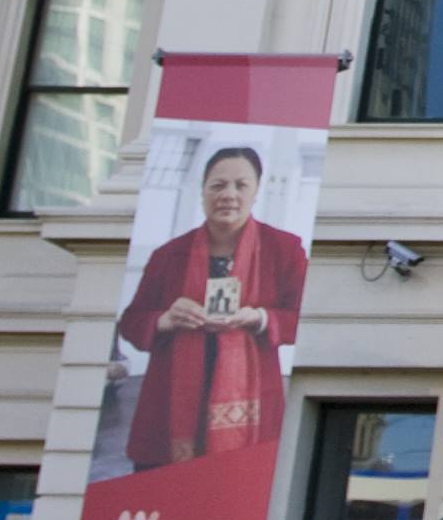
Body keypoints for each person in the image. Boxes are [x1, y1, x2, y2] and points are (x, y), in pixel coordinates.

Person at [91, 141, 301, 483]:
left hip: (252, 402)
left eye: (240, 185)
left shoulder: (284, 249)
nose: (228, 194)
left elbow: (302, 318)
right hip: (170, 404)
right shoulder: (168, 255)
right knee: (163, 492)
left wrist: (259, 317)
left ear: (256, 192)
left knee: (236, 492)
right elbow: (131, 323)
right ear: (202, 191)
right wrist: (165, 319)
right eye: (217, 185)